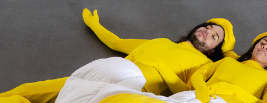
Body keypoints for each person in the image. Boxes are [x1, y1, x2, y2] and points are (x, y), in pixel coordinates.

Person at [82, 8, 235, 95]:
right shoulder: (162, 41)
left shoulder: (204, 63)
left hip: (130, 90)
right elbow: (117, 43)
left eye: (214, 36)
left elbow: (187, 92)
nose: (207, 31)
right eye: (208, 27)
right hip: (106, 72)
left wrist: (159, 65)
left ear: (213, 52)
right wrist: (94, 24)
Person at [191, 31, 267, 103]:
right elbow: (199, 73)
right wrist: (201, 88)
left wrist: (235, 91)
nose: (265, 46)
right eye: (263, 43)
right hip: (199, 98)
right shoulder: (228, 61)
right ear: (252, 49)